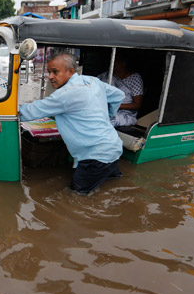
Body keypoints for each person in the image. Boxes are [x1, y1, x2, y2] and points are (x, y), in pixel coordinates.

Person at [19, 53, 125, 194]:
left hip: (95, 157)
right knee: (113, 186)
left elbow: (29, 112)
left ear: (70, 71)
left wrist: (7, 110)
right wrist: (107, 117)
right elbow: (119, 96)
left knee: (74, 198)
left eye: (55, 72)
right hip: (113, 147)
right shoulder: (92, 81)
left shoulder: (65, 94)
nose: (50, 77)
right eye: (49, 72)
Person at [98, 53, 144, 127]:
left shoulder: (135, 78)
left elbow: (137, 105)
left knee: (105, 122)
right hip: (104, 109)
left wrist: (117, 106)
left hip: (125, 114)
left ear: (123, 62)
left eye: (115, 61)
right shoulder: (105, 76)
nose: (112, 63)